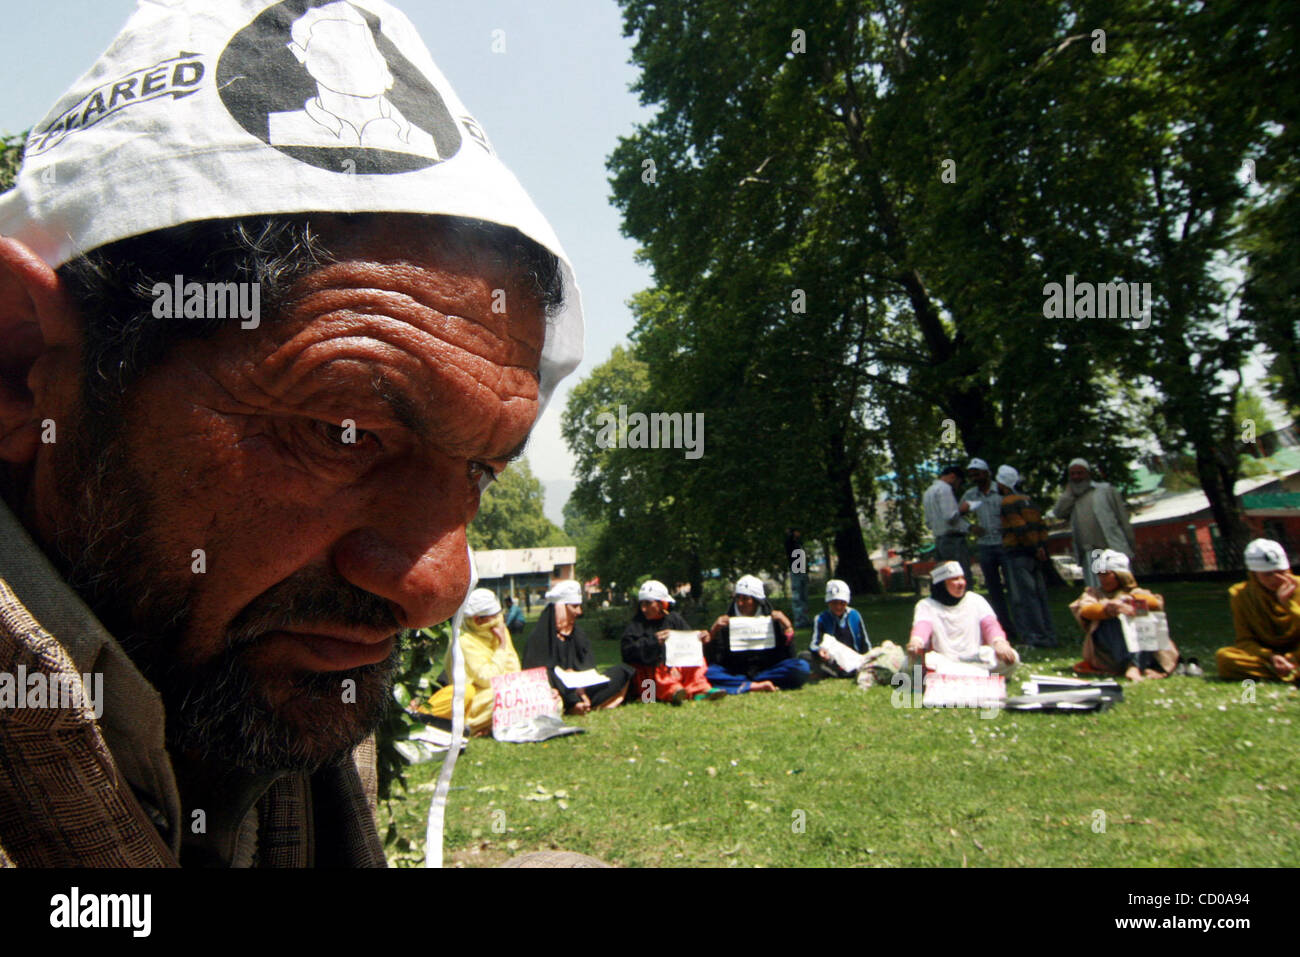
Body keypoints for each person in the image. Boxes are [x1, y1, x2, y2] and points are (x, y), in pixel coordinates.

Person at [0, 0, 583, 866]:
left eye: (478, 471)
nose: (437, 586)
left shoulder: (265, 692)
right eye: (342, 435)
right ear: (21, 367)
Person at [426, 589, 549, 735]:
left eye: (500, 615)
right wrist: (502, 647)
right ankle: (473, 726)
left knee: (546, 694)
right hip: (477, 699)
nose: (499, 621)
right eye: (494, 617)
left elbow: (514, 669)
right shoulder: (464, 642)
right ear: (478, 620)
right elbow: (487, 680)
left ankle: (495, 724)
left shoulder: (499, 631)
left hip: (503, 689)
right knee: (501, 700)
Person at [523, 579, 632, 713]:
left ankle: (648, 697)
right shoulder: (539, 638)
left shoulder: (578, 634)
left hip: (584, 688)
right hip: (559, 690)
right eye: (574, 606)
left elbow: (588, 666)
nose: (579, 612)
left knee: (625, 670)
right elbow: (536, 675)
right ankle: (574, 705)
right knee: (550, 675)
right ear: (560, 608)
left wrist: (580, 685)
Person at [1068, 550, 1177, 681]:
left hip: (1141, 645)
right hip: (1109, 650)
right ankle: (1133, 666)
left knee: (1143, 616)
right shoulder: (1093, 593)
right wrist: (1109, 609)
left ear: (1120, 575)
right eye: (1099, 574)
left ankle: (1135, 665)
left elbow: (1154, 602)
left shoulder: (1136, 592)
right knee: (1113, 620)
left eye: (1106, 574)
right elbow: (1085, 611)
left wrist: (1127, 602)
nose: (1101, 578)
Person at [906, 561, 1020, 676]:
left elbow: (991, 625)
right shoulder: (926, 605)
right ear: (941, 583)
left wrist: (999, 643)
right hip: (944, 661)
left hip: (975, 659)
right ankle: (976, 676)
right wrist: (916, 642)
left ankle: (966, 675)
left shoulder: (975, 600)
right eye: (955, 579)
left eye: (962, 578)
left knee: (1012, 658)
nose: (961, 583)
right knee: (911, 664)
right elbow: (922, 626)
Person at [621, 580, 723, 705]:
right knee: (654, 678)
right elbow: (627, 652)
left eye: (648, 604)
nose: (644, 609)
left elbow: (690, 643)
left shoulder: (674, 619)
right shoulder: (636, 625)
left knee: (697, 661)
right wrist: (653, 642)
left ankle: (701, 689)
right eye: (642, 604)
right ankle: (673, 691)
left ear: (662, 604)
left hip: (677, 667)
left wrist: (702, 639)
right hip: (650, 677)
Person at [705, 575, 810, 693]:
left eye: (745, 599)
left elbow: (789, 656)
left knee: (802, 667)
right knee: (708, 672)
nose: (740, 603)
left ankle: (744, 684)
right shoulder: (726, 623)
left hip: (767, 671)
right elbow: (715, 660)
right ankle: (753, 686)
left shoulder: (773, 621)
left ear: (756, 601)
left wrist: (788, 629)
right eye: (737, 598)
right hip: (735, 671)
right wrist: (713, 632)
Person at [1216, 539, 1300, 683]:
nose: (1277, 579)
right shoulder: (1240, 595)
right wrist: (1270, 657)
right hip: (1267, 656)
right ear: (1254, 574)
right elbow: (1245, 640)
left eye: (1282, 572)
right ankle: (1289, 671)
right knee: (1224, 658)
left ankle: (1286, 669)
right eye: (1268, 574)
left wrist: (1289, 604)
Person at [996, 464, 1059, 648]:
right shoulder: (1029, 501)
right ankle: (1049, 634)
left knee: (1025, 597)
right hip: (1034, 553)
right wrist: (1040, 547)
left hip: (1018, 552)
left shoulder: (1008, 503)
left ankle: (1036, 637)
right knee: (1040, 595)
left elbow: (1019, 527)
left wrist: (1032, 546)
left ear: (1004, 484)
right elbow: (1040, 526)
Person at [1051, 458, 1137, 588]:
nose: (1076, 477)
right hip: (1091, 552)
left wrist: (1130, 543)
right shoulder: (1070, 497)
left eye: (1080, 473)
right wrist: (1069, 493)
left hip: (1112, 547)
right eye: (1073, 474)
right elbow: (1058, 513)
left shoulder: (1105, 490)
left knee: (1122, 586)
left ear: (1088, 474)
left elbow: (1122, 518)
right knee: (1098, 589)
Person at [960, 457, 1014, 637]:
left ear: (987, 473)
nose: (974, 477)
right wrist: (970, 527)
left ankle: (1020, 625)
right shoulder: (970, 495)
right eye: (971, 474)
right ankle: (1003, 628)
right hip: (985, 546)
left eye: (977, 473)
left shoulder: (1000, 491)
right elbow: (956, 514)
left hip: (1005, 543)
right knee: (993, 589)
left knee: (1013, 587)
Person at [800, 579, 871, 679]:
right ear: (828, 602)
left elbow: (865, 641)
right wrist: (820, 650)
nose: (838, 607)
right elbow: (814, 644)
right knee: (804, 656)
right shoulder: (820, 618)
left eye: (842, 603)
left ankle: (831, 672)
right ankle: (835, 671)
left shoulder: (855, 615)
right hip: (832, 659)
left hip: (853, 658)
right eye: (834, 603)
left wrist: (869, 657)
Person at [923, 466, 974, 583]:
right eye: (959, 483)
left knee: (946, 578)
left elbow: (928, 522)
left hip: (939, 539)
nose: (957, 487)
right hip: (953, 539)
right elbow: (950, 516)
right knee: (961, 574)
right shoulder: (945, 489)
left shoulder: (928, 492)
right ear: (953, 477)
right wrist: (963, 510)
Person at [785, 527, 812, 628]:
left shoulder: (798, 544)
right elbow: (788, 542)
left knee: (803, 596)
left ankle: (805, 618)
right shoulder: (791, 543)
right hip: (796, 570)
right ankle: (799, 620)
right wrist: (790, 534)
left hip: (801, 569)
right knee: (798, 597)